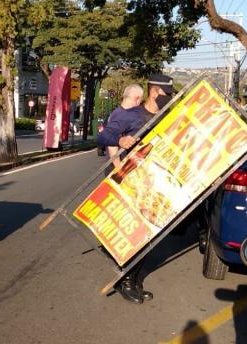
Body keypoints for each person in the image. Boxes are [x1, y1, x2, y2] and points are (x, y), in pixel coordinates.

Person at [97, 75, 175, 305]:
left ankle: (134, 279)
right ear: (153, 92)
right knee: (138, 234)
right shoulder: (131, 115)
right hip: (129, 182)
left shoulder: (164, 118)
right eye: (165, 94)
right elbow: (103, 136)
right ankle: (126, 280)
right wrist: (120, 141)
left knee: (150, 234)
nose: (168, 98)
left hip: (150, 183)